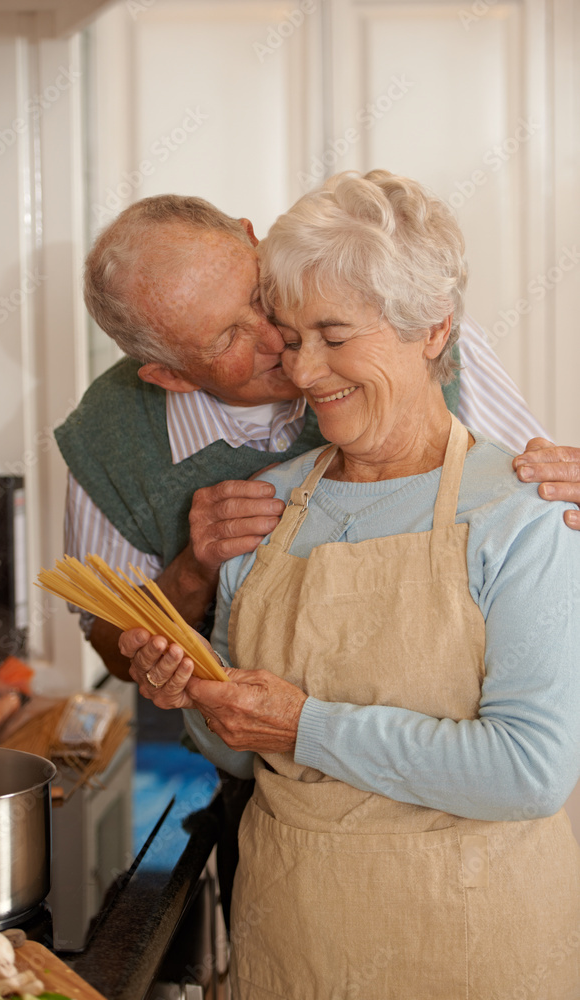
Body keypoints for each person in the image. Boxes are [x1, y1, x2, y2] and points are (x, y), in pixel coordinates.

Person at [124, 171, 580, 999]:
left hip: (472, 947)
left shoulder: (524, 511)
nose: (301, 370)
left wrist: (304, 725)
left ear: (431, 327)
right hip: (290, 944)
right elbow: (239, 751)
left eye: (333, 335)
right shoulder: (265, 509)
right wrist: (195, 694)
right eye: (291, 337)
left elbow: (527, 773)